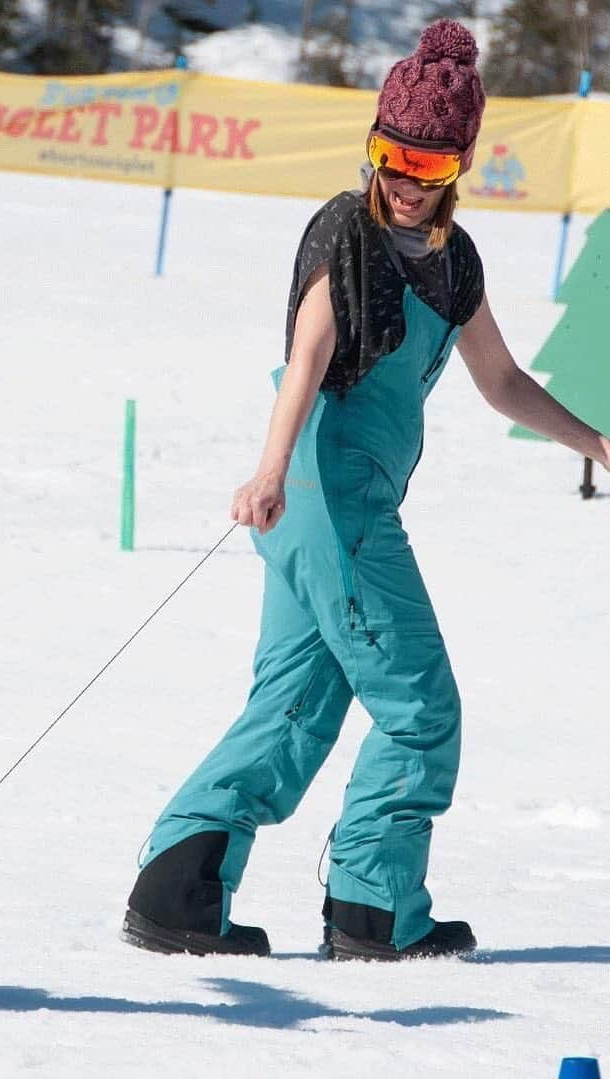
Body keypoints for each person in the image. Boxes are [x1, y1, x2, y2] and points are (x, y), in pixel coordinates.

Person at [122, 20, 610, 962]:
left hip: (329, 506)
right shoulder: (344, 231)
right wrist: (269, 470)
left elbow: (500, 380)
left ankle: (178, 891)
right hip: (326, 493)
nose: (402, 180)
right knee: (420, 706)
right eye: (390, 157)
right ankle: (373, 910)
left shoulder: (456, 263)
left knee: (294, 707)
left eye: (425, 163)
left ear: (457, 164)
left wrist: (593, 441)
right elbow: (307, 351)